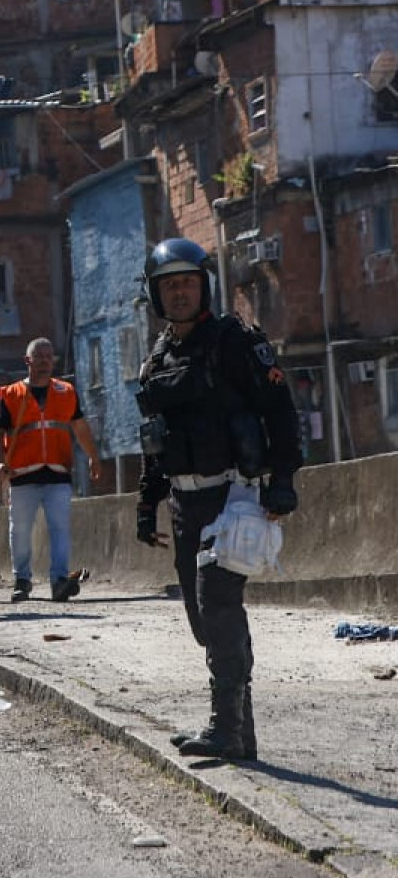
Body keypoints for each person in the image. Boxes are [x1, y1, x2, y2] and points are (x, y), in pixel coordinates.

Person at [133, 238, 302, 762]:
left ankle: (225, 730)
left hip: (235, 497)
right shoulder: (157, 360)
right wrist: (146, 504)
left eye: (187, 283)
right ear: (156, 295)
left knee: (220, 607)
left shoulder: (234, 341)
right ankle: (238, 732)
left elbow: (281, 412)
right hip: (184, 504)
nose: (179, 293)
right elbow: (154, 439)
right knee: (202, 620)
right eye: (169, 286)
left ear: (203, 286)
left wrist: (283, 480)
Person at [0, 337, 102, 603]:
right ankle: (22, 580)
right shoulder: (12, 394)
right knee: (20, 529)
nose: (43, 361)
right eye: (38, 357)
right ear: (27, 361)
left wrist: (93, 457)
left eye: (48, 357)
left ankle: (59, 581)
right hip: (21, 475)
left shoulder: (66, 392)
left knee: (60, 528)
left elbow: (80, 427)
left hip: (58, 473)